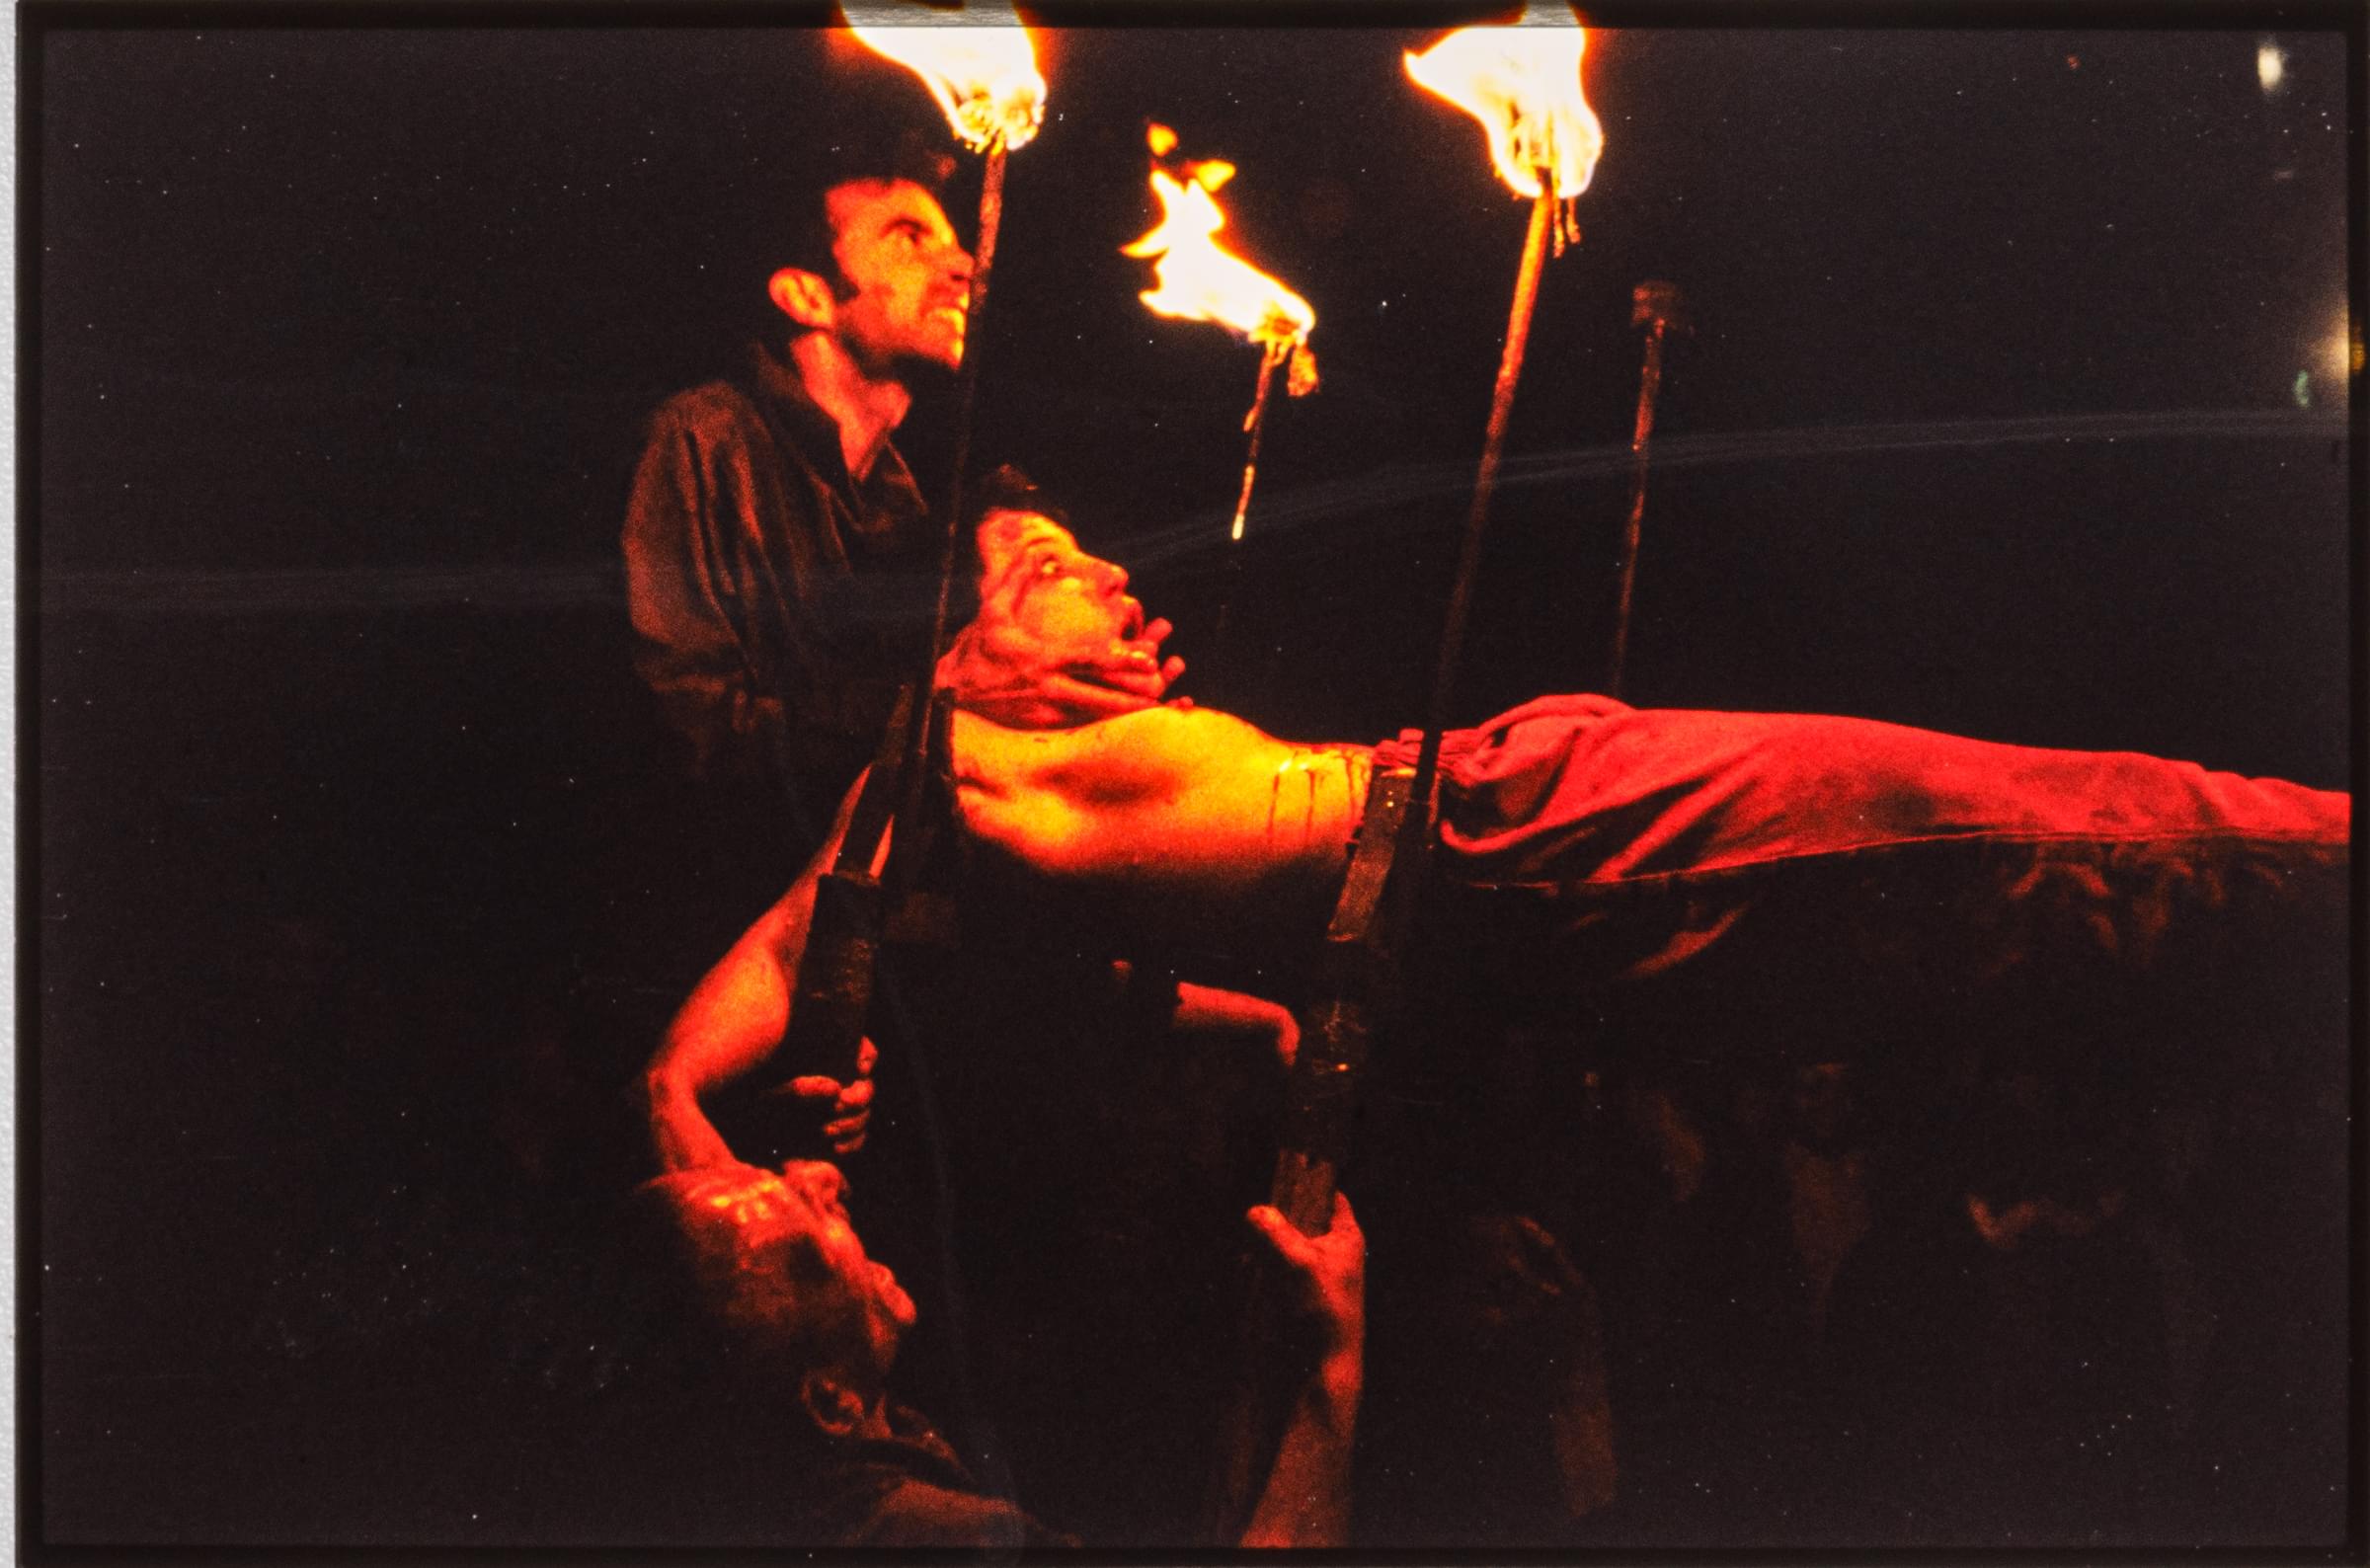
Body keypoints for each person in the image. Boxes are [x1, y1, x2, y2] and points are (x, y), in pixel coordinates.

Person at [644, 506, 2348, 1168]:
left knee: (2027, 874)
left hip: (1505, 810)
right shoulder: (949, 763)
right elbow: (795, 943)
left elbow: (1199, 1015)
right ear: (974, 646)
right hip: (1505, 847)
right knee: (2018, 842)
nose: (1118, 585)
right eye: (1059, 570)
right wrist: (680, 1109)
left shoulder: (1019, 815)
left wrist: (1275, 1038)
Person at [628, 1158, 1364, 1547]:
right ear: (832, 1401)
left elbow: (673, 1089)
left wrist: (673, 1090)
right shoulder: (943, 1541)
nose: (821, 1180)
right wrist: (1335, 1359)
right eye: (811, 1239)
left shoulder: (738, 1425)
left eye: (776, 1174)